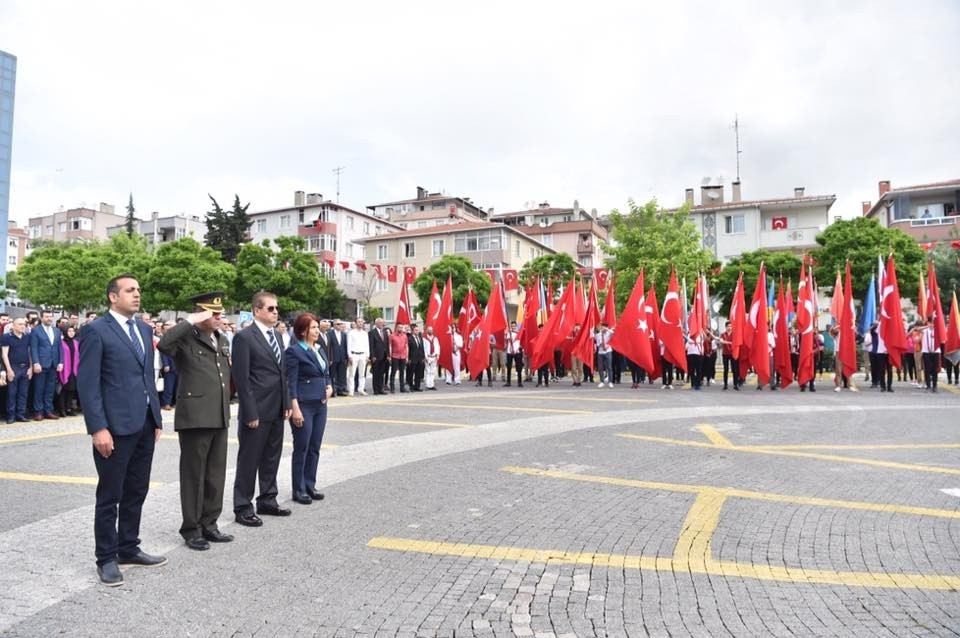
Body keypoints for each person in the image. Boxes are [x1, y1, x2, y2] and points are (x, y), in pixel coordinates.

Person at [78, 274, 166, 586]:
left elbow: (146, 377)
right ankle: (106, 558)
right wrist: (98, 428)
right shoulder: (95, 331)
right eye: (130, 290)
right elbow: (88, 386)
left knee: (136, 490)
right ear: (113, 297)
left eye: (139, 290)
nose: (137, 295)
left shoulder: (143, 328)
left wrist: (155, 418)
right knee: (110, 494)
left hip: (143, 424)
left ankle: (129, 547)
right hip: (114, 428)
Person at [157, 292, 234, 550]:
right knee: (194, 476)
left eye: (219, 314)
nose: (218, 318)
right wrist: (189, 321)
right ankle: (191, 529)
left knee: (215, 474)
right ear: (200, 313)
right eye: (212, 314)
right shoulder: (185, 337)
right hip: (195, 417)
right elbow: (163, 344)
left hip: (219, 414)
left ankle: (210, 524)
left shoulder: (221, 339)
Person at [232, 290, 292, 527]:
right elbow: (242, 378)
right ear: (257, 310)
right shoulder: (244, 337)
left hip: (276, 407)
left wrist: (286, 402)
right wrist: (249, 412)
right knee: (249, 459)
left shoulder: (276, 336)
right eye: (270, 308)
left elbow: (282, 373)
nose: (275, 312)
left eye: (276, 308)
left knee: (271, 457)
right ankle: (243, 506)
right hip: (256, 409)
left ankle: (267, 499)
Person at [285, 313, 332, 505]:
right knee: (302, 447)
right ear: (303, 331)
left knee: (315, 447)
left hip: (321, 403)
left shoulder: (319, 349)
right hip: (303, 404)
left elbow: (325, 372)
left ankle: (310, 484)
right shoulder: (294, 351)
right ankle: (299, 489)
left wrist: (329, 385)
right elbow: (291, 382)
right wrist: (294, 408)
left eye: (317, 327)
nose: (317, 330)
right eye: (313, 327)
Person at [30, 309, 62, 420]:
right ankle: (38, 412)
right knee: (39, 389)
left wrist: (61, 362)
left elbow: (59, 348)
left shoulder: (57, 331)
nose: (49, 318)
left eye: (50, 316)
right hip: (41, 364)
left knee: (50, 389)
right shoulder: (36, 331)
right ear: (42, 318)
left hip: (53, 364)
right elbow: (33, 348)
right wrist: (35, 362)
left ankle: (48, 410)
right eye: (47, 316)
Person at [2, 318, 32, 422]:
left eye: (24, 324)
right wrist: (9, 370)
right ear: (13, 326)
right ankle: (11, 415)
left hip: (26, 367)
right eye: (19, 324)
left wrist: (31, 367)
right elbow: (4, 354)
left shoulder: (27, 337)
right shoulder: (6, 337)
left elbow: (30, 352)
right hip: (13, 367)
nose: (22, 326)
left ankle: (21, 414)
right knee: (12, 393)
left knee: (23, 393)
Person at [56, 326, 80, 416]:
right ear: (65, 332)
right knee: (63, 390)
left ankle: (69, 408)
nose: (71, 332)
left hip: (74, 369)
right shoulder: (61, 343)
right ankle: (62, 409)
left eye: (73, 331)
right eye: (69, 331)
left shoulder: (76, 343)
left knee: (71, 390)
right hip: (64, 369)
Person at [346, 318, 369, 396]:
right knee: (352, 374)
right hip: (354, 354)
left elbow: (367, 345)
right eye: (359, 322)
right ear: (355, 323)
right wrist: (349, 355)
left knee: (362, 374)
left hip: (363, 355)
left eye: (362, 322)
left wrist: (367, 355)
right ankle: (351, 390)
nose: (360, 323)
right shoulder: (351, 333)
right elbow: (349, 345)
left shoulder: (365, 333)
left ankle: (361, 389)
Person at [159, 321, 178, 410]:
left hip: (178, 366)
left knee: (177, 386)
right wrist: (166, 364)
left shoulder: (178, 338)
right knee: (168, 387)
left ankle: (175, 402)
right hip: (170, 366)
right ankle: (167, 403)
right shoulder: (166, 338)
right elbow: (163, 352)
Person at [327, 320, 348, 396]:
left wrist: (346, 357)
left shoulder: (344, 334)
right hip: (333, 357)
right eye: (338, 324)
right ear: (334, 325)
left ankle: (341, 389)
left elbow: (345, 346)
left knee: (342, 374)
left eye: (341, 324)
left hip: (342, 357)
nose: (340, 325)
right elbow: (329, 347)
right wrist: (330, 358)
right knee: (332, 375)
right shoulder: (329, 334)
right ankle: (333, 390)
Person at [369, 318, 390, 395]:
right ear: (376, 323)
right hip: (376, 356)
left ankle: (381, 389)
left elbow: (387, 344)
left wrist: (388, 355)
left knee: (382, 373)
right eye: (381, 323)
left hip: (384, 356)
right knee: (376, 373)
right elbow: (371, 345)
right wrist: (372, 356)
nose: (382, 324)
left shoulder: (384, 332)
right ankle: (376, 390)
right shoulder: (372, 332)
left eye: (383, 323)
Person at [919, 316, 939, 392]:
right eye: (931, 322)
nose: (932, 324)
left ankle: (934, 386)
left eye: (933, 323)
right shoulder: (925, 330)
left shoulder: (937, 330)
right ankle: (928, 385)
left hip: (935, 351)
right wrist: (927, 326)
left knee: (935, 370)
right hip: (926, 352)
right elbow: (917, 329)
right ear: (928, 322)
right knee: (927, 369)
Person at [389, 323, 409, 393]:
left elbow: (406, 346)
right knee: (393, 372)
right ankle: (392, 388)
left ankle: (402, 388)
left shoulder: (405, 336)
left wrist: (407, 356)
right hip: (395, 356)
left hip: (403, 356)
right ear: (396, 328)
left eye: (401, 327)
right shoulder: (392, 336)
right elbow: (390, 346)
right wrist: (390, 356)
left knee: (402, 372)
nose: (400, 329)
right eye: (399, 327)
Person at [406, 323, 425, 392]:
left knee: (418, 373)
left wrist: (423, 357)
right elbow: (408, 349)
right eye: (416, 330)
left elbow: (422, 348)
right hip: (412, 359)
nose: (417, 331)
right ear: (412, 331)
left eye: (418, 330)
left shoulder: (420, 338)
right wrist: (409, 358)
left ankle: (417, 386)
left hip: (420, 359)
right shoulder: (409, 338)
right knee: (411, 373)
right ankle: (411, 386)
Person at [505, 322, 524, 387]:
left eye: (514, 326)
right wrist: (507, 334)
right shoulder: (509, 333)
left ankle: (519, 382)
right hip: (509, 351)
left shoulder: (518, 333)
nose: (513, 327)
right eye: (512, 326)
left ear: (516, 326)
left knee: (519, 367)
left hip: (517, 351)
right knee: (509, 367)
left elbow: (521, 341)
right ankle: (508, 382)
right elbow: (507, 341)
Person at [596, 323, 614, 387]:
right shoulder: (598, 335)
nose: (603, 328)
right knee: (600, 367)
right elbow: (598, 344)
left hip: (608, 351)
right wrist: (603, 345)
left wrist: (607, 329)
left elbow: (613, 333)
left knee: (609, 367)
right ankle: (602, 381)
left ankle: (610, 381)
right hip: (600, 352)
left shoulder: (609, 333)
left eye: (604, 327)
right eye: (602, 327)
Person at [423, 325, 440, 390]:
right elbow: (424, 348)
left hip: (434, 356)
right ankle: (428, 385)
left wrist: (438, 354)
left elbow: (437, 347)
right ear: (427, 331)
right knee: (428, 371)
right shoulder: (424, 338)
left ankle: (432, 385)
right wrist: (426, 357)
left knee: (433, 371)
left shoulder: (435, 338)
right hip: (428, 357)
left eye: (431, 330)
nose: (430, 331)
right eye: (429, 330)